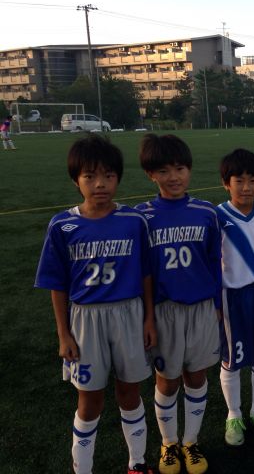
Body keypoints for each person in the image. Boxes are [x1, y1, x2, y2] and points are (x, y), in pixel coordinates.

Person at [34, 134, 156, 474]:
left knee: (130, 392)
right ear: (76, 180)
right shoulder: (63, 225)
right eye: (90, 176)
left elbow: (147, 274)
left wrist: (149, 319)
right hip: (85, 319)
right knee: (90, 399)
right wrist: (63, 334)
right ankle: (82, 468)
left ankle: (137, 463)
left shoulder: (134, 221)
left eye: (108, 176)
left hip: (129, 313)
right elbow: (57, 285)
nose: (100, 184)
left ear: (118, 178)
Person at [135, 134, 222, 474]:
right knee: (167, 380)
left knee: (196, 377)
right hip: (164, 311)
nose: (174, 177)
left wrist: (216, 304)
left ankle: (191, 441)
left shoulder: (206, 212)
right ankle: (168, 443)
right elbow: (142, 272)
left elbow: (214, 262)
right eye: (164, 171)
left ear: (190, 169)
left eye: (180, 169)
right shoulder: (142, 217)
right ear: (150, 175)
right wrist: (148, 316)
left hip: (201, 307)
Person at [215, 148, 254, 446]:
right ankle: (233, 414)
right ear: (226, 183)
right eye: (239, 181)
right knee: (232, 359)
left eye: (253, 180)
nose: (246, 187)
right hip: (233, 297)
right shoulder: (217, 216)